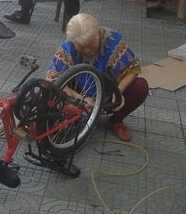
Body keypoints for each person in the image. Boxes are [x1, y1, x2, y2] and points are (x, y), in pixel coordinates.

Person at [45, 13, 149, 142]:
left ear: (98, 34)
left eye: (91, 44)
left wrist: (119, 91)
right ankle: (78, 115)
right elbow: (53, 79)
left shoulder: (113, 40)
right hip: (78, 95)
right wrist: (82, 99)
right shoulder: (68, 46)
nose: (88, 50)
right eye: (82, 46)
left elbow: (133, 68)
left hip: (108, 92)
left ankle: (116, 121)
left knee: (141, 86)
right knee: (48, 91)